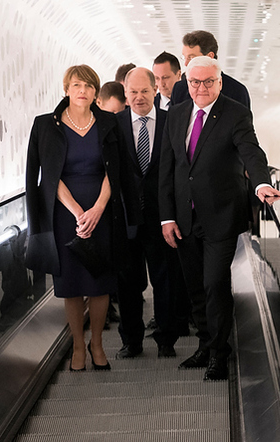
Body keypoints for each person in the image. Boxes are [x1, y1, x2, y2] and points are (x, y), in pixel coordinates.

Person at [159, 56, 280, 380]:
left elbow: (251, 152)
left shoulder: (235, 113)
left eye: (208, 82)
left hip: (221, 215)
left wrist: (261, 182)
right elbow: (167, 169)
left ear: (219, 81)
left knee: (215, 284)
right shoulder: (176, 114)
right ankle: (204, 344)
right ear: (187, 83)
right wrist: (166, 218)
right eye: (194, 82)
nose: (201, 88)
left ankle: (218, 353)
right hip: (184, 218)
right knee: (195, 287)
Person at [25, 64, 139, 372]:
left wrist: (98, 208)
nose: (82, 91)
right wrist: (77, 211)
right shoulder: (45, 126)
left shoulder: (109, 123)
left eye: (89, 86)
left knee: (100, 282)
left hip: (102, 210)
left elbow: (114, 169)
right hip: (65, 213)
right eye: (76, 85)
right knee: (71, 284)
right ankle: (77, 344)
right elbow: (47, 175)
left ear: (95, 92)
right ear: (66, 89)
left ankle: (97, 344)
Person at [115, 68, 190, 359]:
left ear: (155, 90)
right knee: (128, 283)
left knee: (166, 279)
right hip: (127, 217)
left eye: (144, 91)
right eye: (132, 92)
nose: (138, 97)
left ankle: (166, 340)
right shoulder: (115, 124)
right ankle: (131, 340)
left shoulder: (173, 121)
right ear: (125, 94)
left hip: (164, 217)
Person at [168, 31, 250, 108]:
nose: (186, 64)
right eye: (184, 57)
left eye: (191, 57)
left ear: (210, 56)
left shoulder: (237, 91)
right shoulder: (179, 89)